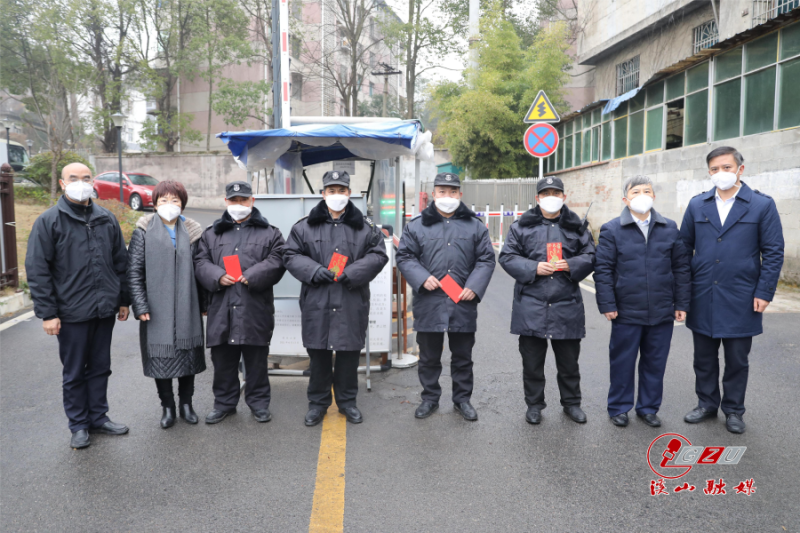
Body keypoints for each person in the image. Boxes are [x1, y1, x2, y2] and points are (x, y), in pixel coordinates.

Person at [25, 163, 130, 449]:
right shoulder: (49, 221)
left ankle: (98, 417)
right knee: (74, 372)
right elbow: (37, 269)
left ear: (93, 182)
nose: (80, 182)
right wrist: (48, 313)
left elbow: (120, 261)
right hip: (71, 312)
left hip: (104, 309)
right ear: (62, 183)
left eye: (86, 178)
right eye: (73, 178)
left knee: (100, 367)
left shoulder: (106, 218)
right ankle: (79, 424)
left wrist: (123, 299)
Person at [680, 147, 784, 434]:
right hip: (703, 293)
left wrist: (764, 292)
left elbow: (773, 251)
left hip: (742, 295)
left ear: (740, 169)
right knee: (703, 357)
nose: (720, 173)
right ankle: (706, 404)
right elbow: (682, 248)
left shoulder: (761, 205)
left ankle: (734, 410)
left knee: (737, 359)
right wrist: (683, 293)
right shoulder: (697, 205)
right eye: (714, 169)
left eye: (726, 167)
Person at [284, 171, 388, 427]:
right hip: (317, 300)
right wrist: (314, 271)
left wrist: (352, 273)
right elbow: (290, 255)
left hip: (350, 299)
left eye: (341, 190)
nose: (337, 195)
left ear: (349, 193)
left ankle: (347, 402)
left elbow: (378, 255)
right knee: (318, 355)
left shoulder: (365, 227)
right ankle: (317, 404)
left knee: (348, 355)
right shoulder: (304, 226)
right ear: (323, 194)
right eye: (332, 191)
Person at [593, 176, 691, 428]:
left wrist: (681, 304)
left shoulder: (669, 228)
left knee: (655, 363)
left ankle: (648, 408)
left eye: (647, 191)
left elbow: (681, 268)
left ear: (654, 196)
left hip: (661, 310)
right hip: (626, 310)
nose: (642, 195)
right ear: (625, 199)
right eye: (635, 192)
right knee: (622, 362)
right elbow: (603, 269)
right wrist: (607, 304)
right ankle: (619, 407)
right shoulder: (612, 229)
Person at [397, 172, 495, 421]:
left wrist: (474, 286)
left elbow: (486, 259)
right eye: (442, 191)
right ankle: (429, 398)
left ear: (460, 194)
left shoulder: (474, 226)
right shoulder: (417, 225)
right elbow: (405, 256)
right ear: (434, 194)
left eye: (452, 192)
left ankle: (462, 400)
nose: (447, 196)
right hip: (429, 301)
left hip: (462, 300)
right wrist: (421, 277)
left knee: (463, 357)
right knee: (429, 356)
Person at [498, 176, 595, 425]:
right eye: (546, 193)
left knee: (569, 363)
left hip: (566, 304)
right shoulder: (521, 226)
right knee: (532, 363)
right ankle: (534, 405)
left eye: (556, 193)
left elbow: (591, 255)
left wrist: (571, 264)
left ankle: (571, 404)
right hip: (531, 304)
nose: (551, 197)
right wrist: (533, 267)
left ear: (564, 197)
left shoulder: (577, 227)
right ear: (537, 198)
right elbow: (507, 257)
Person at [194, 181, 286, 425]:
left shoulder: (270, 233)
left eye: (243, 200)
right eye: (233, 200)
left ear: (252, 201)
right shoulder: (211, 233)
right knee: (223, 360)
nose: (238, 204)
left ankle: (259, 404)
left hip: (255, 307)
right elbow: (200, 261)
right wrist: (217, 276)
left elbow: (278, 259)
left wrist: (253, 275)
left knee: (256, 361)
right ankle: (224, 404)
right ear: (226, 202)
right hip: (221, 308)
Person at [128, 180, 207, 429]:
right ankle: (168, 407)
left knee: (188, 357)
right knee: (160, 359)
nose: (169, 204)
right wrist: (140, 306)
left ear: (182, 204)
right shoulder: (143, 230)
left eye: (175, 200)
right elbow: (134, 272)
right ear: (154, 204)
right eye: (163, 200)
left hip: (188, 306)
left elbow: (201, 270)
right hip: (155, 309)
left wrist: (204, 303)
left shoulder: (194, 231)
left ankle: (186, 404)